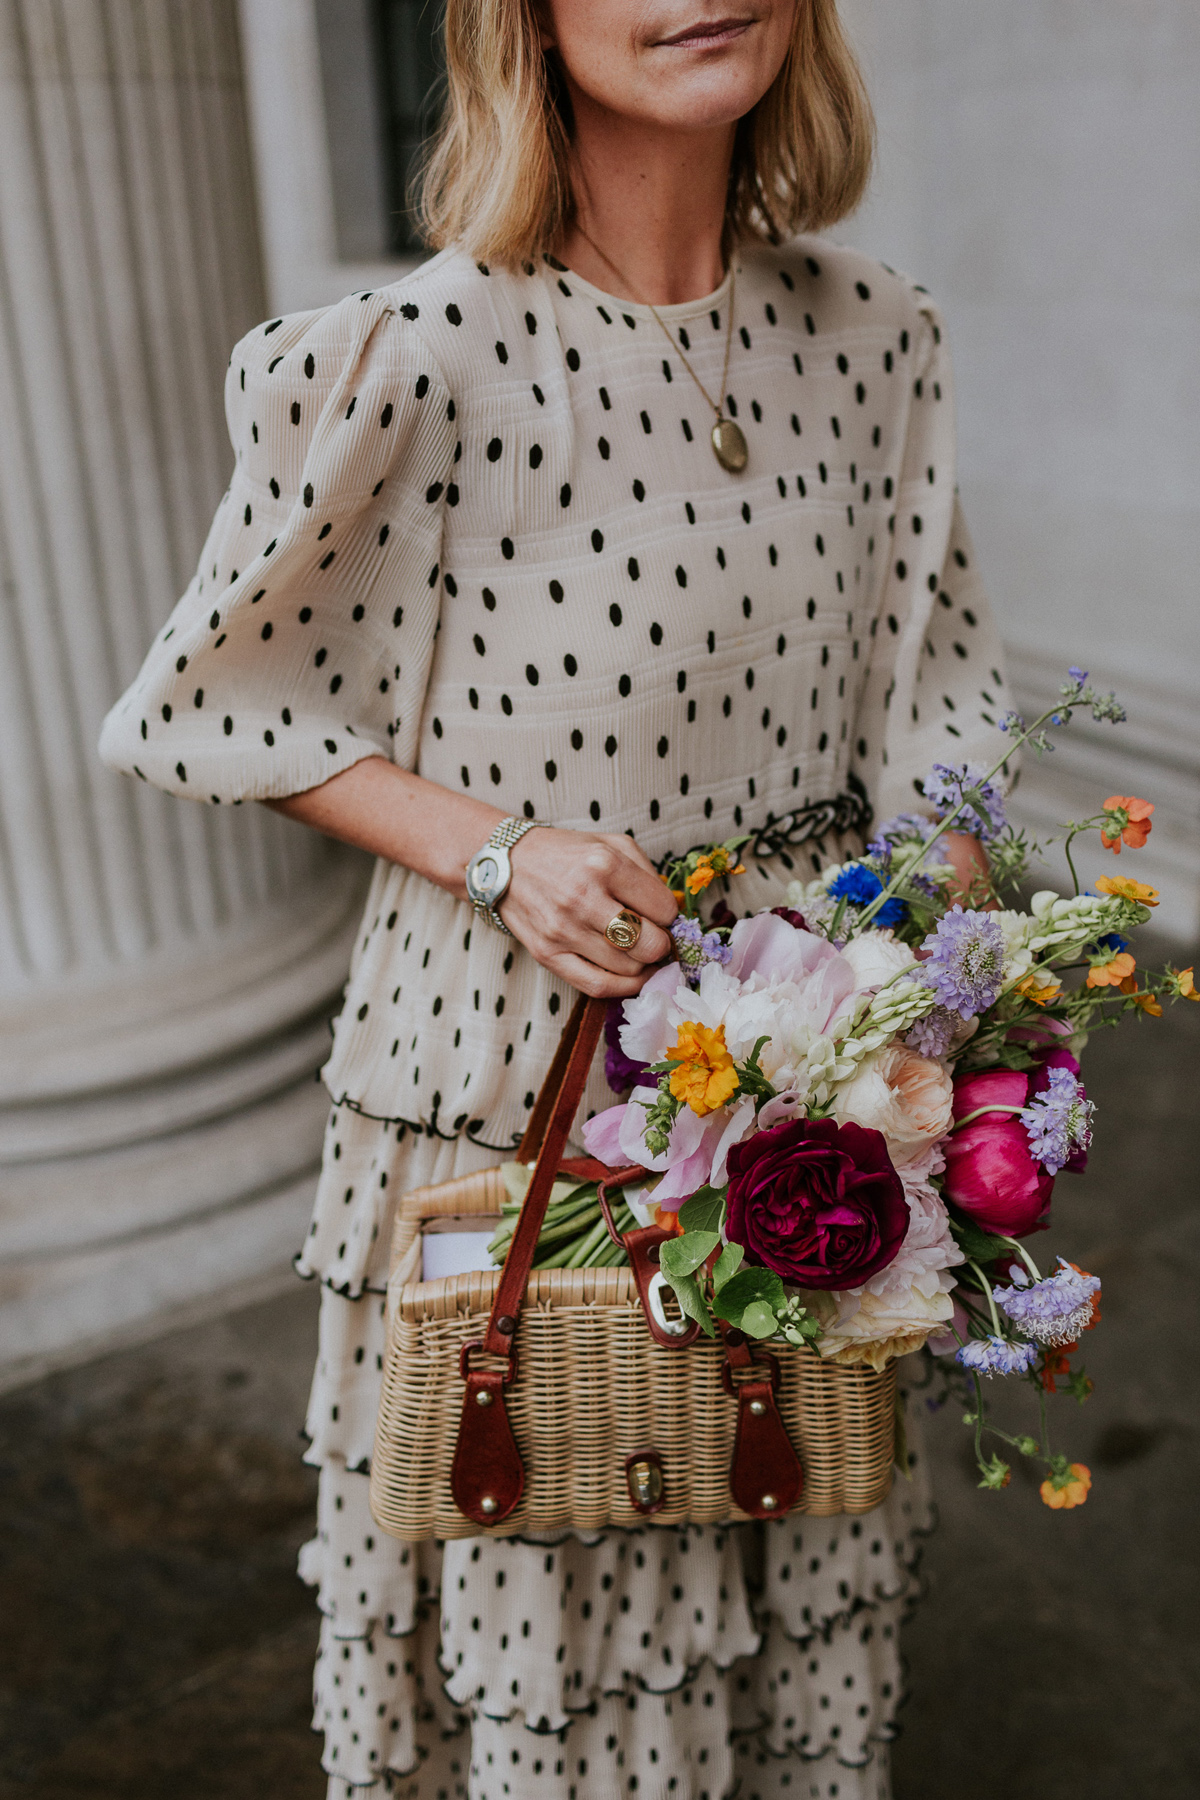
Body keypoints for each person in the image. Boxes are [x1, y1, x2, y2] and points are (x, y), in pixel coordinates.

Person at [101, 2, 1008, 1793]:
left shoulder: (877, 333)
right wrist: (494, 850)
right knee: (568, 1561)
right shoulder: (412, 353)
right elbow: (203, 706)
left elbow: (941, 697)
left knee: (793, 1509)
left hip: (816, 1060)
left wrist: (943, 978)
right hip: (519, 1063)